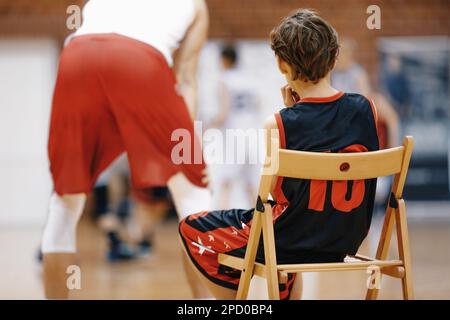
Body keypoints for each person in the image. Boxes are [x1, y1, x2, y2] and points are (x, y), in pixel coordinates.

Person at [179, 9, 380, 299]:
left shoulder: (279, 124)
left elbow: (274, 194)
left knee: (190, 227)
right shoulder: (366, 109)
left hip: (289, 241)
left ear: (281, 65)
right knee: (299, 216)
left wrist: (290, 112)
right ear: (335, 58)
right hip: (345, 239)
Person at [41, 0, 211, 299]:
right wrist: (188, 150)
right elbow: (186, 80)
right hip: (140, 59)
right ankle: (206, 304)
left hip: (78, 55)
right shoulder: (197, 5)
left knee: (64, 203)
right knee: (194, 194)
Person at [209, 44, 261, 209]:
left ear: (224, 60)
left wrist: (209, 126)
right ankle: (261, 228)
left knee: (226, 183)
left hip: (236, 136)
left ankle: (219, 225)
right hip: (253, 135)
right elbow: (258, 106)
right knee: (251, 185)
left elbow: (223, 114)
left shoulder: (225, 80)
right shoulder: (249, 80)